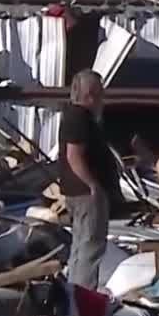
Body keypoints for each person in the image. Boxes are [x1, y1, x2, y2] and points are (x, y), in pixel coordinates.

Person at [58, 70, 120, 289]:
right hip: (86, 195)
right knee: (89, 249)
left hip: (78, 192)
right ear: (91, 95)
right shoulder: (79, 118)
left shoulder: (74, 116)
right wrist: (93, 185)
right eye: (101, 94)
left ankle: (73, 293)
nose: (103, 100)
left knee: (80, 246)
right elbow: (73, 156)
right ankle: (81, 297)